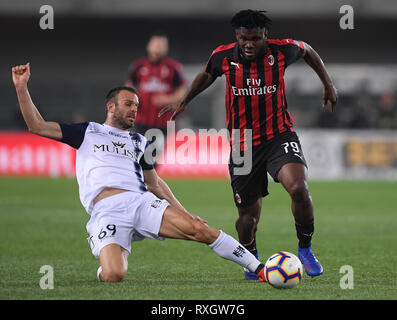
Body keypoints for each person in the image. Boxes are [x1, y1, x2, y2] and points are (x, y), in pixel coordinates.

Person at [12, 62, 267, 283]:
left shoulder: (140, 141)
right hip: (107, 210)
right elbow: (37, 126)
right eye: (128, 104)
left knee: (199, 229)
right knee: (114, 276)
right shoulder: (87, 131)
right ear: (110, 107)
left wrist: (185, 212)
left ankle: (259, 269)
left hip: (141, 202)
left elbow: (155, 183)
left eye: (136, 105)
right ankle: (108, 250)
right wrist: (21, 87)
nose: (134, 109)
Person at [159, 10, 338, 279]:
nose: (249, 44)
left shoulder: (282, 51)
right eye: (244, 39)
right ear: (237, 36)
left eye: (255, 39)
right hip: (243, 144)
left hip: (280, 135)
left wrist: (328, 84)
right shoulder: (223, 56)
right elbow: (207, 74)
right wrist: (185, 101)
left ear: (265, 36)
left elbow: (309, 51)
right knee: (247, 218)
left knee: (299, 188)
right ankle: (251, 257)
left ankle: (305, 249)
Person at [125, 33, 186, 160]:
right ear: (149, 46)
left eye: (161, 45)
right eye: (156, 44)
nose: (158, 48)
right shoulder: (138, 66)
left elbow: (182, 90)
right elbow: (129, 85)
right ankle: (140, 178)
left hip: (163, 121)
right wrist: (133, 99)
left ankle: (149, 179)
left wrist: (167, 99)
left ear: (166, 48)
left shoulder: (173, 67)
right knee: (138, 155)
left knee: (154, 157)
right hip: (140, 119)